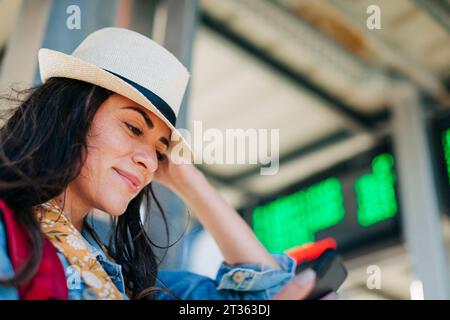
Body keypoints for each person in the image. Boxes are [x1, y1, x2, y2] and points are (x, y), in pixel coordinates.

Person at [0, 28, 334, 300]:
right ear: (70, 113)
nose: (148, 161)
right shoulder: (8, 231)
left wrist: (186, 178)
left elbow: (264, 298)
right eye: (133, 128)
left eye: (160, 151)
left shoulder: (134, 286)